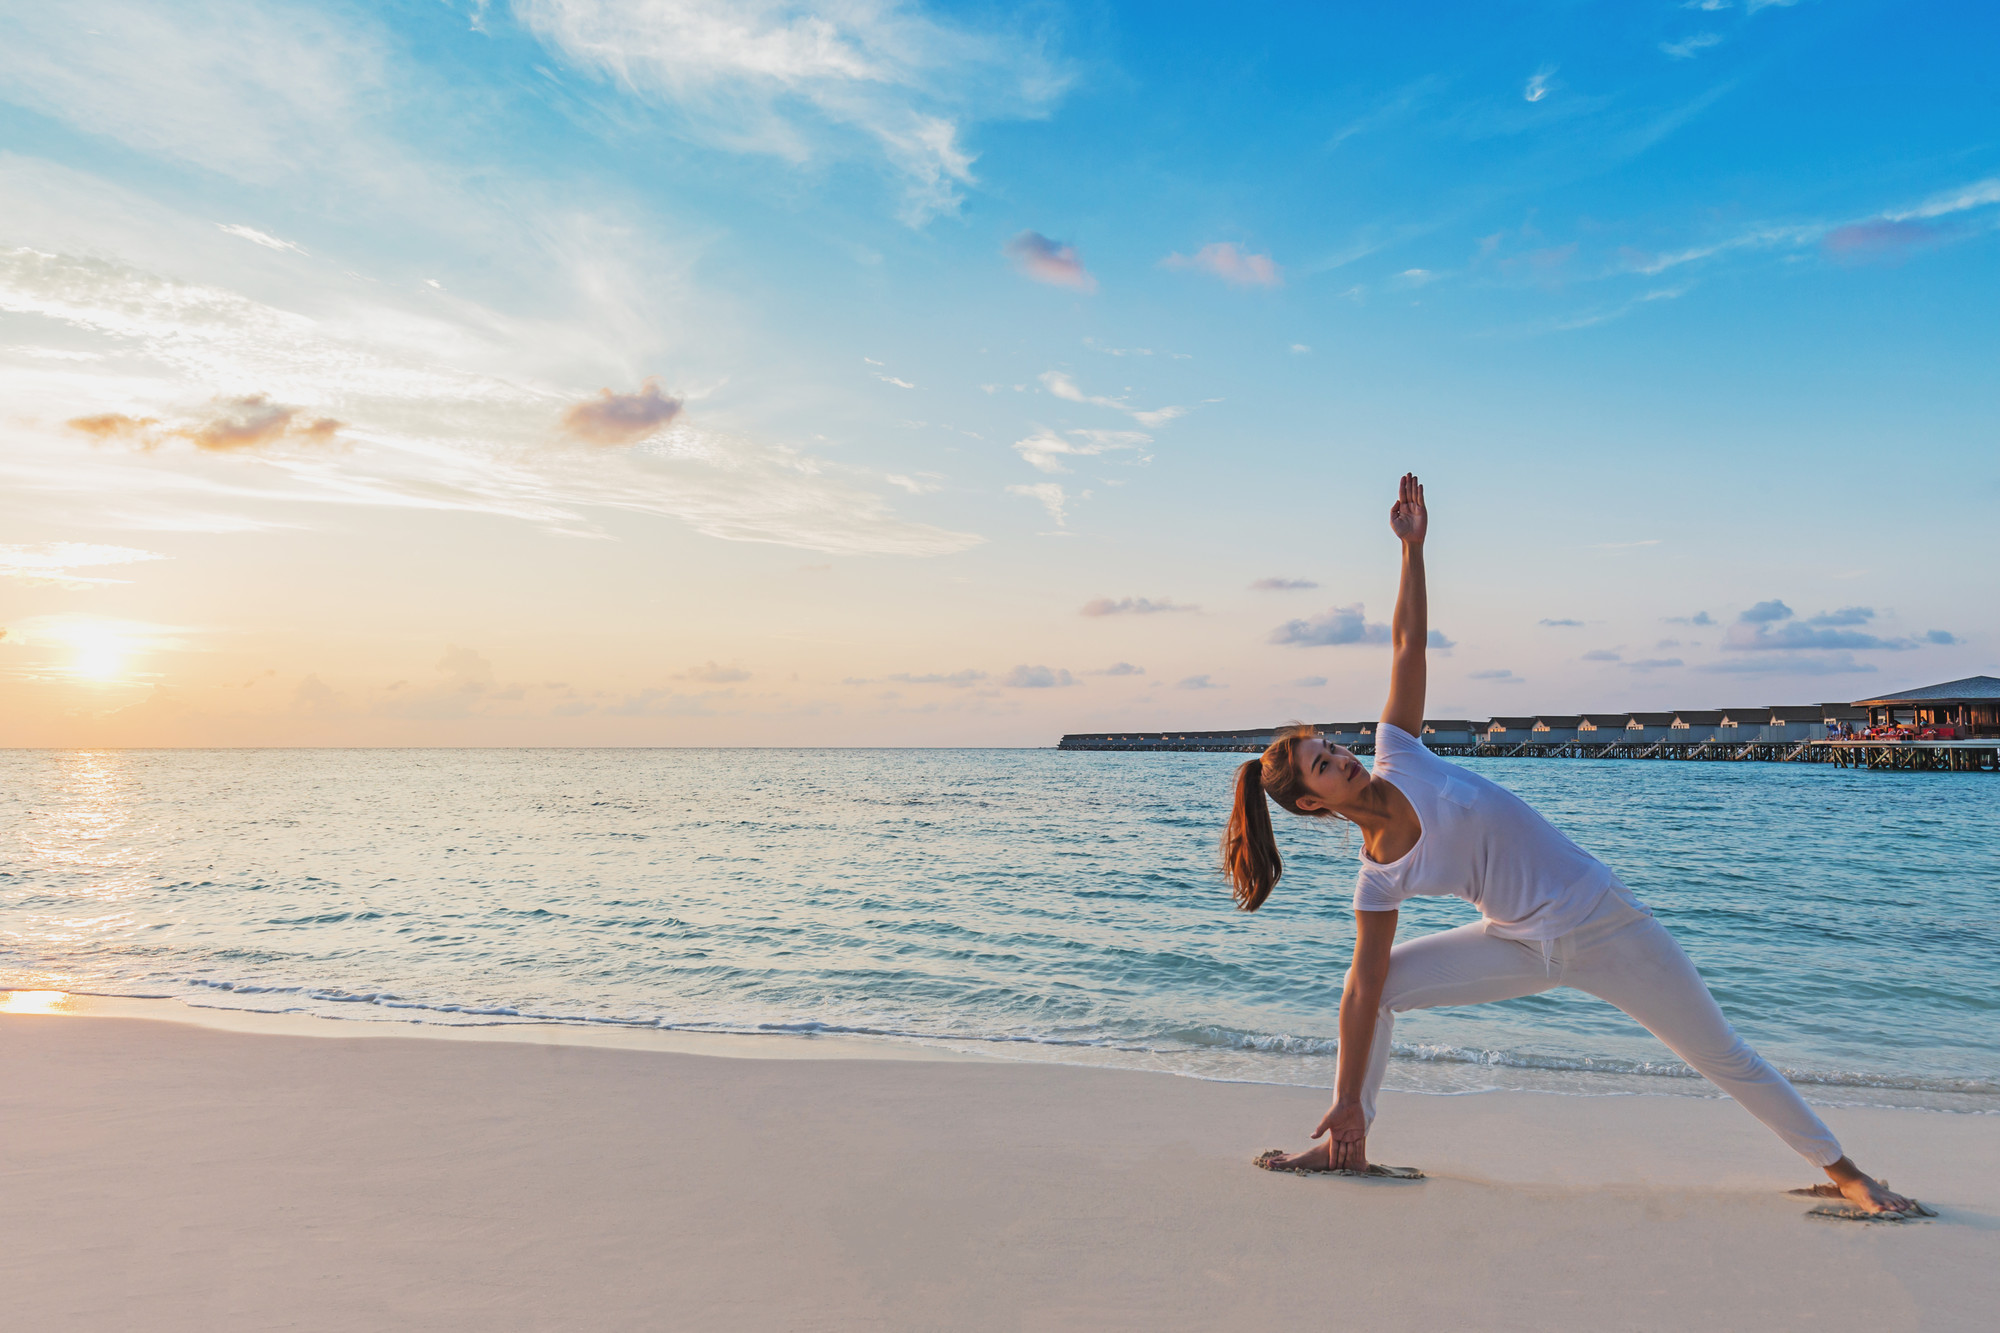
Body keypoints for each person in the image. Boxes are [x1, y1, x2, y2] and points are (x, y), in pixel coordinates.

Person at [1223, 473, 1915, 1215]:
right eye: (1323, 765)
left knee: (1720, 1053)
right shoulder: (1378, 878)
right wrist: (1344, 1095)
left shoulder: (1400, 749)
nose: (1342, 756)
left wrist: (1412, 550)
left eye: (1331, 743)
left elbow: (1407, 641)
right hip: (1519, 943)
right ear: (1309, 802)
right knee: (1380, 986)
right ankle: (1343, 1141)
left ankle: (1849, 1173)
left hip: (1602, 919)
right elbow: (1362, 989)